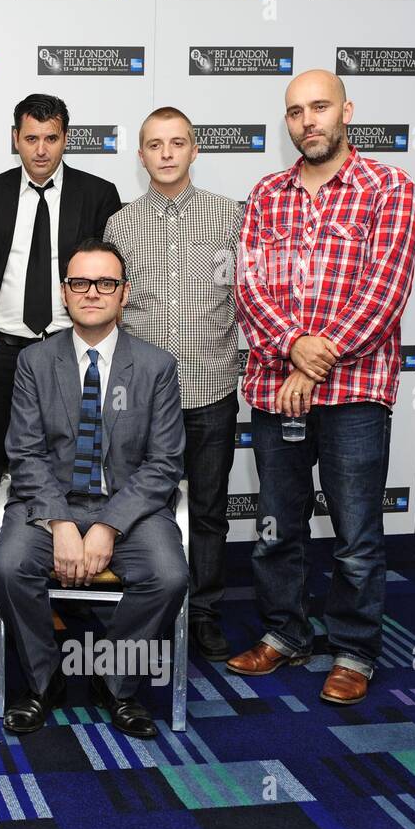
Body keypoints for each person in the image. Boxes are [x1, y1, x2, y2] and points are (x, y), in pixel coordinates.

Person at [228, 70, 415, 706]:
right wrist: (288, 349)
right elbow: (251, 288)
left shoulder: (388, 188)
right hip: (273, 385)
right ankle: (286, 633)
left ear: (346, 111)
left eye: (319, 107)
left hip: (355, 391)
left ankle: (355, 649)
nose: (307, 120)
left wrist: (309, 365)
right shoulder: (266, 194)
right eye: (294, 112)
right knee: (276, 526)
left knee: (356, 533)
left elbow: (385, 292)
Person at [0, 239, 187, 739]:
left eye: (106, 283)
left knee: (167, 575)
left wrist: (107, 525)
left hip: (128, 508)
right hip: (48, 503)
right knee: (8, 567)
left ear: (124, 294)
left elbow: (164, 463)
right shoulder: (35, 361)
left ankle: (114, 680)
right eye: (80, 283)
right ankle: (45, 678)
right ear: (65, 292)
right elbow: (25, 454)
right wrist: (59, 522)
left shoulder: (156, 366)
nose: (92, 293)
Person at [0, 94, 121, 618]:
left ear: (65, 139)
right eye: (30, 138)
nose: (40, 149)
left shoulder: (98, 194)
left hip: (70, 349)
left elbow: (107, 277)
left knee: (72, 463)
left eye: (51, 138)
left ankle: (70, 578)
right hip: (2, 350)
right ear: (15, 138)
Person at [105, 106, 242, 662]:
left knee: (208, 510)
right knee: (139, 506)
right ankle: (143, 606)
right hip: (141, 401)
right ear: (140, 155)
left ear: (194, 150)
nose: (166, 153)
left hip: (211, 387)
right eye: (155, 145)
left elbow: (247, 299)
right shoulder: (120, 225)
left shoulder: (232, 217)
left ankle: (204, 612)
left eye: (177, 143)